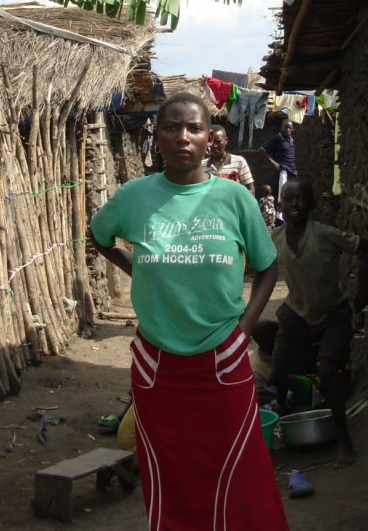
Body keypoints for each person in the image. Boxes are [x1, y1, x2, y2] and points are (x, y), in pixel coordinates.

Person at [90, 92, 288, 530]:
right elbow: (99, 236)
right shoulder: (133, 197)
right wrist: (138, 267)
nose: (183, 136)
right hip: (158, 366)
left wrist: (245, 329)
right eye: (171, 127)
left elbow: (268, 264)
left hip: (224, 359)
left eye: (193, 128)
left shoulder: (234, 199)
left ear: (210, 138)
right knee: (171, 476)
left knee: (241, 471)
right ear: (157, 135)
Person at [268, 177, 368, 469]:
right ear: (279, 204)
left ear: (312, 205)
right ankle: (288, 400)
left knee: (328, 372)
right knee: (276, 375)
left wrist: (361, 293)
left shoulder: (325, 235)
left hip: (332, 314)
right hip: (296, 314)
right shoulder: (275, 238)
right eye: (288, 200)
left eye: (302, 200)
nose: (294, 205)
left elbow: (366, 248)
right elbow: (259, 267)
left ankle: (344, 442)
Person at [260, 119, 298, 220]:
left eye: (290, 128)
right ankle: (280, 219)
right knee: (282, 194)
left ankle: (288, 217)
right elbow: (262, 150)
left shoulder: (290, 140)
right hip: (283, 171)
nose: (288, 129)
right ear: (281, 128)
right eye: (286, 127)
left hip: (292, 172)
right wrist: (274, 163)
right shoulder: (277, 139)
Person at [204, 123, 255, 192]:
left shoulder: (239, 162)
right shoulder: (202, 166)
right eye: (210, 141)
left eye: (218, 141)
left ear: (226, 141)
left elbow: (251, 190)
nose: (214, 145)